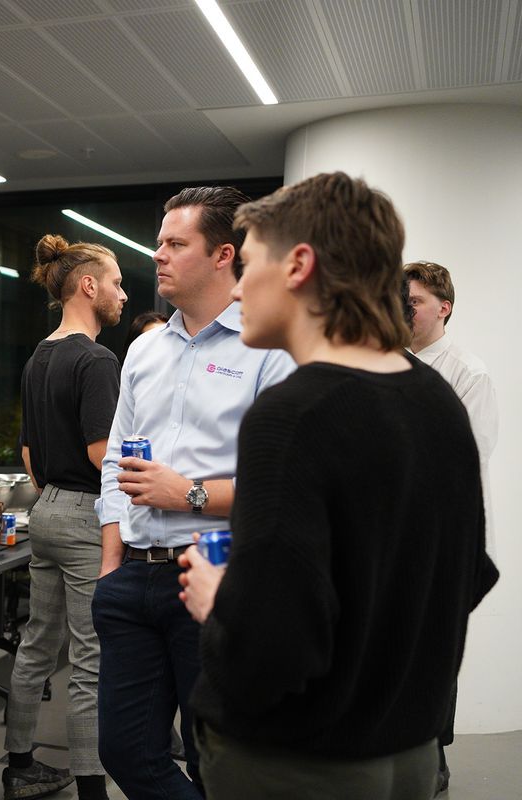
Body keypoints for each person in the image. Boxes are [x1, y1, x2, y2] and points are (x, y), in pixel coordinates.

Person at [179, 172, 499, 799]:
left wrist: (219, 600)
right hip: (408, 755)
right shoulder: (438, 403)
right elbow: (466, 577)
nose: (238, 289)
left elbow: (271, 652)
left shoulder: (291, 417)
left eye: (249, 266)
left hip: (296, 764)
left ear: (299, 266)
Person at [92, 186, 295, 799]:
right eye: (159, 242)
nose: (157, 254)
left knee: (218, 762)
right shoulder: (143, 349)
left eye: (176, 244)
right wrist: (110, 564)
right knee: (125, 752)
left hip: (216, 573)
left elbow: (284, 483)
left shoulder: (268, 348)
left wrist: (190, 495)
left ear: (223, 254)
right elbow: (116, 458)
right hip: (133, 577)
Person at [2, 234, 126, 800]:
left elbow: (29, 454)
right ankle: (92, 788)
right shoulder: (96, 359)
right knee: (89, 658)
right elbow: (103, 454)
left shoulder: (39, 357)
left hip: (46, 509)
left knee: (36, 645)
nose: (123, 294)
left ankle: (20, 765)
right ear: (89, 286)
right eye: (117, 283)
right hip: (83, 516)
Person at [404, 260, 500, 793]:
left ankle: (434, 754)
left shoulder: (468, 372)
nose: (404, 310)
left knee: (436, 648)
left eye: (414, 302)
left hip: (443, 535)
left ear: (443, 308)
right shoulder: (382, 362)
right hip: (391, 532)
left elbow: (468, 459)